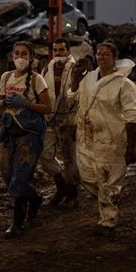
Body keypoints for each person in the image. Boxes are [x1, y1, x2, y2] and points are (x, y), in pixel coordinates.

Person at [74, 41, 136, 236]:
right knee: (87, 177)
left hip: (112, 140)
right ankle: (109, 200)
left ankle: (109, 222)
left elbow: (133, 116)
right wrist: (76, 78)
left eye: (106, 54)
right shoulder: (89, 79)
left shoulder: (124, 84)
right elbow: (78, 99)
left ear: (114, 58)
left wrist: (131, 147)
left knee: (109, 180)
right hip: (87, 138)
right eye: (99, 53)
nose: (101, 57)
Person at [0, 41, 52, 238]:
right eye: (17, 53)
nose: (20, 57)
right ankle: (35, 198)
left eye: (24, 54)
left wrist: (26, 103)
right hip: (10, 132)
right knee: (6, 172)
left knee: (20, 177)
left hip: (30, 135)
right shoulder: (6, 77)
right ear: (12, 55)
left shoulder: (37, 80)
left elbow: (47, 107)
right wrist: (5, 102)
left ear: (31, 57)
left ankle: (17, 223)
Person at [38, 37, 85, 207]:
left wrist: (78, 121)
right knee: (44, 154)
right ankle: (61, 184)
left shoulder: (77, 69)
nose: (58, 54)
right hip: (49, 118)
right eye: (55, 50)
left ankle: (72, 195)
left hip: (69, 119)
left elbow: (82, 97)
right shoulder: (46, 68)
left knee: (69, 158)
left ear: (68, 51)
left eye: (61, 50)